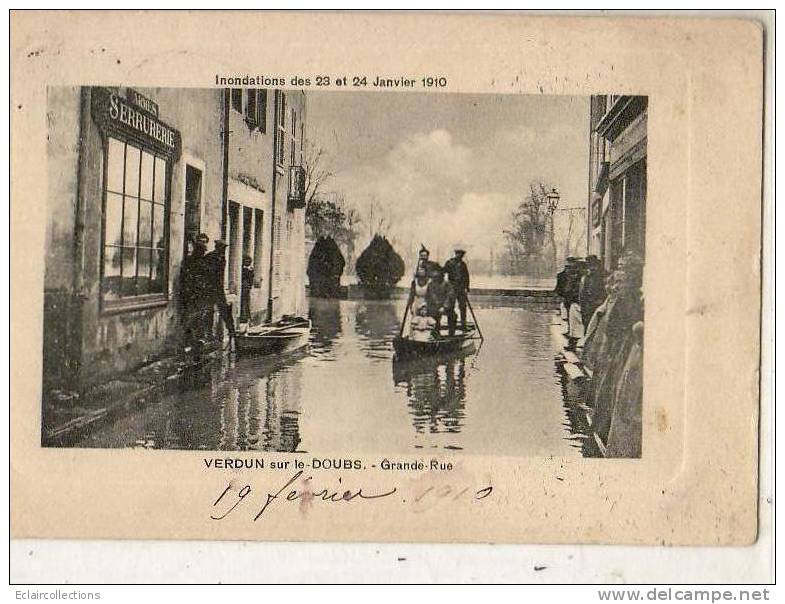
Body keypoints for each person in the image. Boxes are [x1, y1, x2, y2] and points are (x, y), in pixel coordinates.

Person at [203, 239, 236, 339]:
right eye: (222, 248)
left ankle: (231, 330)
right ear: (217, 247)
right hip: (210, 287)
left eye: (224, 248)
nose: (223, 250)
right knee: (209, 310)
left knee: (224, 308)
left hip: (218, 287)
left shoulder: (222, 258)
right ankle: (209, 333)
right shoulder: (210, 257)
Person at [444, 246, 470, 333]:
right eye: (458, 253)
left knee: (463, 307)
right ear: (456, 254)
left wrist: (467, 287)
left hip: (461, 289)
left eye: (461, 254)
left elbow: (466, 277)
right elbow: (443, 272)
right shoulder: (449, 263)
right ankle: (451, 326)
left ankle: (463, 325)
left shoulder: (463, 264)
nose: (460, 255)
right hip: (452, 288)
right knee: (450, 307)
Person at [579, 254, 607, 329]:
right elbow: (583, 290)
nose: (589, 266)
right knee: (587, 323)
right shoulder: (587, 276)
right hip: (587, 303)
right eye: (588, 264)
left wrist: (600, 300)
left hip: (596, 302)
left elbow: (604, 289)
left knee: (594, 324)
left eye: (591, 264)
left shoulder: (602, 275)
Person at [425, 267, 455, 334]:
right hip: (434, 306)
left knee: (453, 316)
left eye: (437, 276)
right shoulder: (430, 285)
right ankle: (434, 333)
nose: (435, 278)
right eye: (434, 277)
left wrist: (444, 307)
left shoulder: (447, 284)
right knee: (432, 317)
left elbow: (449, 296)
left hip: (445, 307)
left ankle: (451, 333)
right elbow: (428, 296)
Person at [239, 255, 254, 325]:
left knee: (246, 303)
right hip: (243, 287)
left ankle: (247, 318)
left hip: (246, 288)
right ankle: (244, 317)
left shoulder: (250, 269)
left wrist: (249, 286)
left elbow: (251, 279)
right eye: (246, 261)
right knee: (243, 303)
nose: (248, 263)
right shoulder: (243, 269)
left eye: (249, 261)